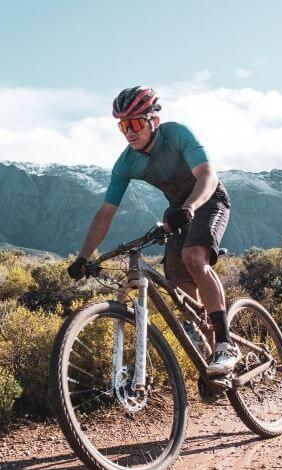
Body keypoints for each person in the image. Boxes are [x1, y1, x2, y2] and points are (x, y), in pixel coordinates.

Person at [67, 86, 239, 375]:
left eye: (135, 123)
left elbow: (208, 176)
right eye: (123, 126)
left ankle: (225, 345)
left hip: (208, 199)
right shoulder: (125, 164)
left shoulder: (177, 134)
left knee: (194, 257)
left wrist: (191, 207)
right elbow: (105, 213)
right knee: (178, 280)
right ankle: (208, 356)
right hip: (176, 211)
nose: (129, 132)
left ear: (153, 121)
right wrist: (83, 257)